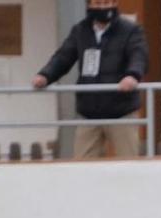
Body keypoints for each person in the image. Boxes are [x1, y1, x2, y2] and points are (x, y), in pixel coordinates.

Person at [33, 4, 149, 159]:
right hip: (89, 112)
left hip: (122, 111)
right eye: (98, 2)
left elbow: (138, 55)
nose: (103, 6)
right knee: (83, 165)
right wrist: (45, 75)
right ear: (90, 4)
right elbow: (63, 57)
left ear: (114, 3)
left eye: (106, 2)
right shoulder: (80, 30)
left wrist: (132, 75)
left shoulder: (130, 30)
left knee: (129, 163)